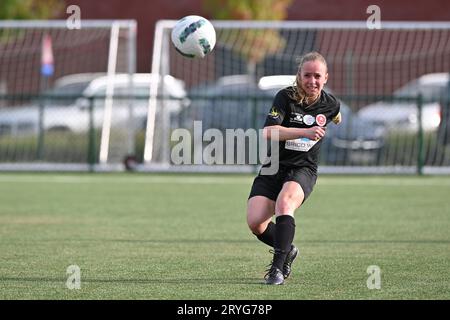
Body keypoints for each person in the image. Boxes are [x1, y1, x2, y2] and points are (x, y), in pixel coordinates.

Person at [247, 51, 342, 285]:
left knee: (285, 204)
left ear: (326, 77)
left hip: (303, 169)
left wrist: (336, 117)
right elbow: (268, 131)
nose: (312, 81)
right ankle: (287, 249)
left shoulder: (331, 104)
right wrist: (305, 132)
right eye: (307, 75)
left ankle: (277, 270)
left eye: (317, 76)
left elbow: (335, 114)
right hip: (273, 167)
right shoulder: (285, 97)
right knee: (255, 223)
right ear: (299, 75)